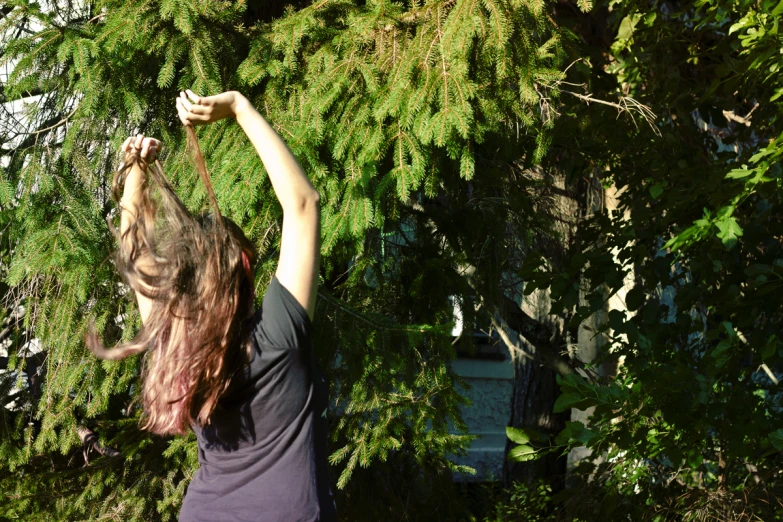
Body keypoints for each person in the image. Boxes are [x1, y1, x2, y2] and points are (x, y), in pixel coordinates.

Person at [88, 90, 336, 521]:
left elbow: (135, 258)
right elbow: (302, 205)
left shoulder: (177, 347)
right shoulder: (278, 336)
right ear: (244, 267)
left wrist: (136, 172)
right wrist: (239, 107)